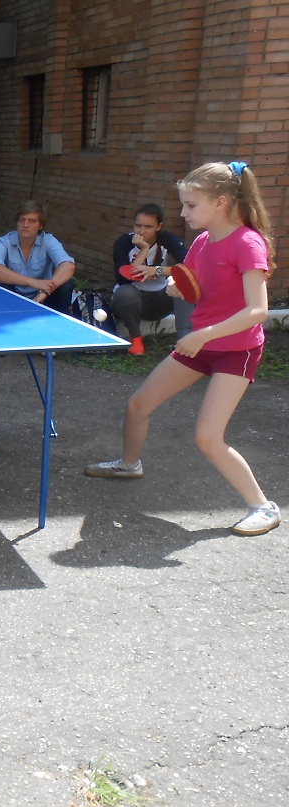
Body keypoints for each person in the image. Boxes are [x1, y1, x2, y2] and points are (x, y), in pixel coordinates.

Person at [85, 161, 279, 536]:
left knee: (207, 437)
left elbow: (258, 310)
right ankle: (129, 464)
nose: (182, 212)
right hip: (201, 342)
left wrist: (203, 335)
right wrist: (176, 286)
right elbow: (191, 283)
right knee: (137, 405)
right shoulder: (204, 242)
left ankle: (263, 506)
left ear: (220, 202)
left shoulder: (247, 242)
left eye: (190, 205)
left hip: (234, 349)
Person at [111, 204, 191, 355]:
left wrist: (157, 271)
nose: (141, 231)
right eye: (138, 225)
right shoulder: (123, 242)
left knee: (183, 285)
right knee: (126, 292)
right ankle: (136, 341)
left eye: (148, 226)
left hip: (158, 299)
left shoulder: (167, 239)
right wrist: (144, 250)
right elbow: (123, 280)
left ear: (158, 226)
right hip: (129, 301)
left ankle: (185, 341)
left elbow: (188, 267)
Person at [0, 200, 77, 313]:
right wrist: (32, 282)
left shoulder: (48, 241)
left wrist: (44, 292)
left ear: (40, 226)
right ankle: (3, 317)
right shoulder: (4, 242)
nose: (25, 225)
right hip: (12, 296)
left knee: (65, 285)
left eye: (32, 221)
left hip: (43, 298)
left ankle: (55, 320)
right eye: (22, 220)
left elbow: (68, 266)